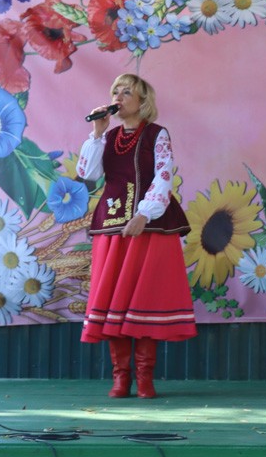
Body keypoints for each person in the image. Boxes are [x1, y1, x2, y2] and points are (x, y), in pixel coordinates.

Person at [77, 73, 196, 398]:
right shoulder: (108, 135)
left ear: (143, 101)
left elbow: (164, 174)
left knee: (144, 298)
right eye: (115, 90)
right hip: (113, 223)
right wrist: (97, 133)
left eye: (126, 92)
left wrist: (145, 213)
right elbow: (87, 173)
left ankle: (145, 376)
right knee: (113, 296)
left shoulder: (157, 134)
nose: (118, 96)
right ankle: (120, 376)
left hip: (149, 222)